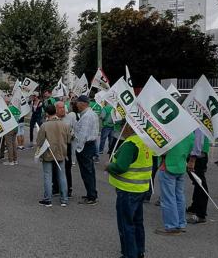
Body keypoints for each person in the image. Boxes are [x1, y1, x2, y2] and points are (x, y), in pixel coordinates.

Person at [105, 124, 152, 258]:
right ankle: (139, 251)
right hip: (140, 188)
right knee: (137, 222)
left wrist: (109, 166)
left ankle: (129, 254)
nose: (121, 129)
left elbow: (121, 166)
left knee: (126, 225)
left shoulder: (130, 144)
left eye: (123, 126)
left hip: (127, 190)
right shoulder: (144, 141)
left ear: (130, 127)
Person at [155, 132, 195, 236]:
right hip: (180, 165)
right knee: (179, 197)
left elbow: (162, 150)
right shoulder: (190, 133)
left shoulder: (170, 132)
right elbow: (191, 149)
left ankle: (171, 226)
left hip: (168, 166)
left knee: (168, 198)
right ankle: (181, 223)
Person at [36, 104, 72, 207]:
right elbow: (69, 139)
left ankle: (48, 199)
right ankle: (64, 199)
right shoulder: (65, 124)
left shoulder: (44, 125)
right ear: (55, 112)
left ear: (47, 113)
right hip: (61, 152)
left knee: (48, 176)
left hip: (48, 153)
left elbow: (39, 141)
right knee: (62, 176)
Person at [74, 95, 100, 205]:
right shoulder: (90, 114)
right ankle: (91, 193)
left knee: (87, 172)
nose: (76, 105)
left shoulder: (87, 116)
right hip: (90, 145)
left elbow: (83, 135)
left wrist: (79, 148)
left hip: (85, 146)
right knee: (90, 171)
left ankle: (91, 197)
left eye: (77, 103)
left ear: (82, 103)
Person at [52, 101, 77, 197]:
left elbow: (76, 128)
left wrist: (72, 134)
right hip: (56, 146)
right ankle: (56, 187)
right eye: (60, 108)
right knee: (55, 166)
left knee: (67, 168)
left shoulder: (70, 118)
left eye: (63, 107)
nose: (62, 109)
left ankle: (68, 189)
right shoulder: (53, 119)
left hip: (66, 145)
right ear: (56, 109)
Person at [186, 129, 210, 224]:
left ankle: (201, 214)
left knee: (200, 184)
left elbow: (198, 139)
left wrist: (192, 159)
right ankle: (194, 207)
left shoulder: (198, 119)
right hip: (199, 154)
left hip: (198, 156)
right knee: (197, 182)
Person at [2, 97, 21, 166]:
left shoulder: (8, 109)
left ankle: (10, 160)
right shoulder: (18, 110)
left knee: (9, 145)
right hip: (15, 128)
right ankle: (15, 160)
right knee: (14, 144)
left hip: (9, 128)